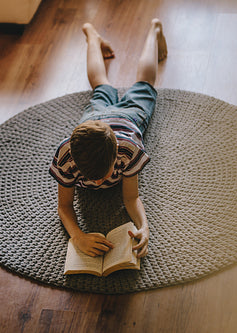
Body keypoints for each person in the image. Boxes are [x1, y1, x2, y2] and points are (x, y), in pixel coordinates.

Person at [49, 19, 167, 259]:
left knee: (144, 83)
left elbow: (131, 197)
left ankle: (154, 29)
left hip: (128, 119)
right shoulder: (65, 154)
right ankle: (92, 35)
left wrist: (144, 226)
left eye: (105, 173)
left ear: (116, 154)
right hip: (95, 118)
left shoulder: (128, 149)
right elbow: (64, 206)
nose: (101, 181)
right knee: (102, 84)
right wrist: (77, 236)